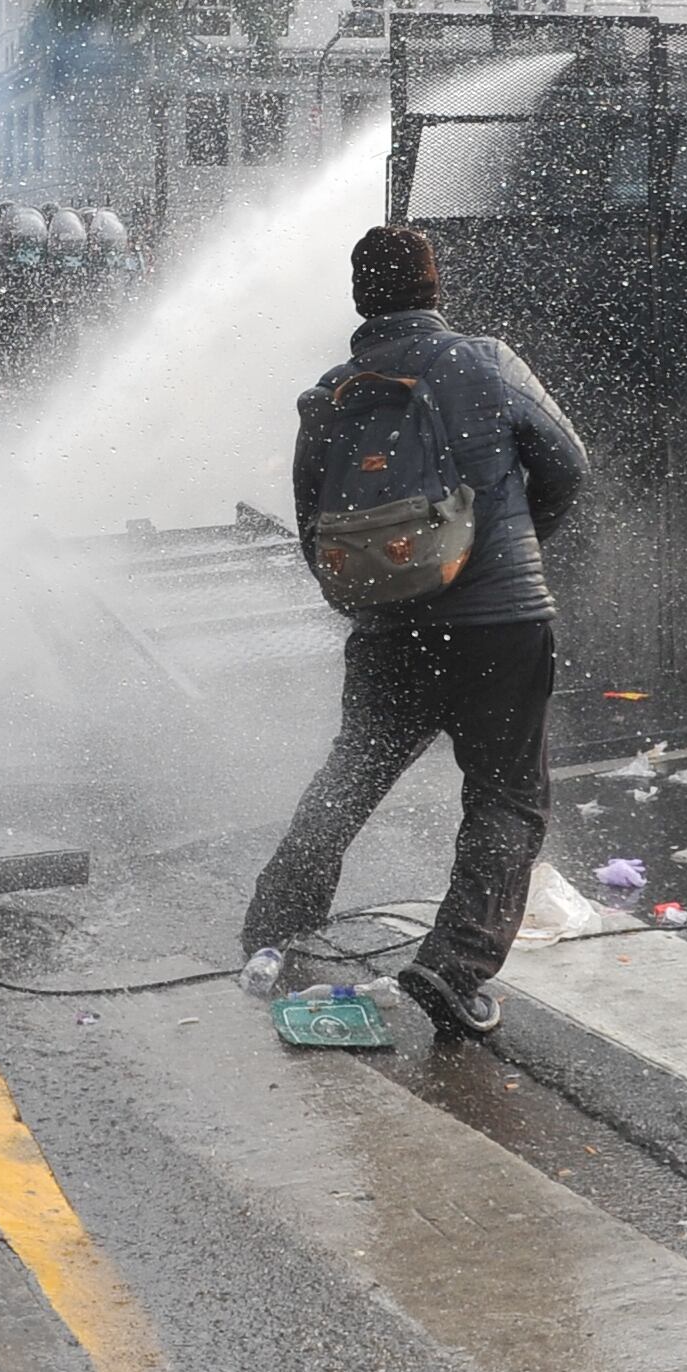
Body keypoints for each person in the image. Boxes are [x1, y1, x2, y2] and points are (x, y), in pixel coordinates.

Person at [243, 224, 590, 1041]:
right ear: (434, 290)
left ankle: (273, 921)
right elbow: (568, 465)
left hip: (390, 629)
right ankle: (453, 965)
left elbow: (314, 527)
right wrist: (509, 546)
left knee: (352, 775)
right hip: (500, 622)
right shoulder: (485, 361)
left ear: (362, 298)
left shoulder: (331, 396)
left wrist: (373, 600)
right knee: (506, 796)